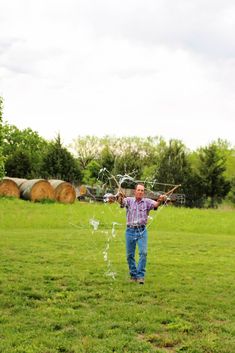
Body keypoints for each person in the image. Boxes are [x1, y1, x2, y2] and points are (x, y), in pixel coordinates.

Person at [117, 183, 166, 284]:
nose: (140, 192)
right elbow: (121, 202)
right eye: (138, 190)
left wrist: (161, 200)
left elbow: (156, 204)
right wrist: (119, 197)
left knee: (143, 253)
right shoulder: (129, 200)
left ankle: (140, 276)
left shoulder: (147, 202)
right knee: (129, 255)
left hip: (142, 231)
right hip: (130, 231)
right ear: (135, 191)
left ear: (144, 192)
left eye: (142, 190)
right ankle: (133, 275)